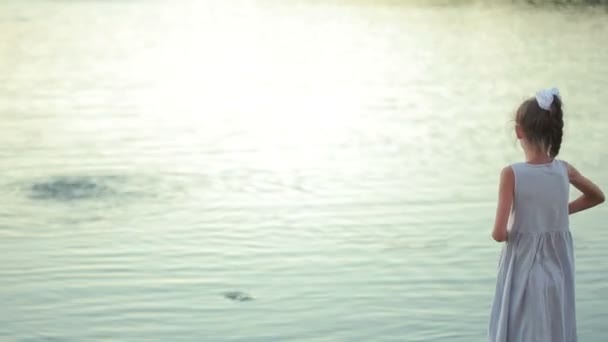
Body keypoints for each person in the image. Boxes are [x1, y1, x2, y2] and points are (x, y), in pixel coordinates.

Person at [488, 88, 605, 342]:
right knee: (554, 328)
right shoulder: (564, 170)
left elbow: (498, 234)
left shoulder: (512, 173)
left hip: (522, 267)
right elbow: (597, 196)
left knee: (521, 330)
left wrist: (522, 226)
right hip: (559, 267)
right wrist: (560, 213)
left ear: (519, 131)